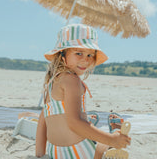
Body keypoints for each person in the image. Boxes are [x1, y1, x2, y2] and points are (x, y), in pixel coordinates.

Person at [36, 24, 131, 159]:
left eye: (90, 55)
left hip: (55, 152)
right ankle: (115, 129)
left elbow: (43, 121)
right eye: (78, 53)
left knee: (81, 119)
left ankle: (89, 122)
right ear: (62, 55)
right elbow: (74, 123)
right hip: (79, 152)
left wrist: (39, 155)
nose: (85, 59)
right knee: (105, 146)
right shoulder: (71, 80)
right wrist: (111, 140)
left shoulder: (52, 82)